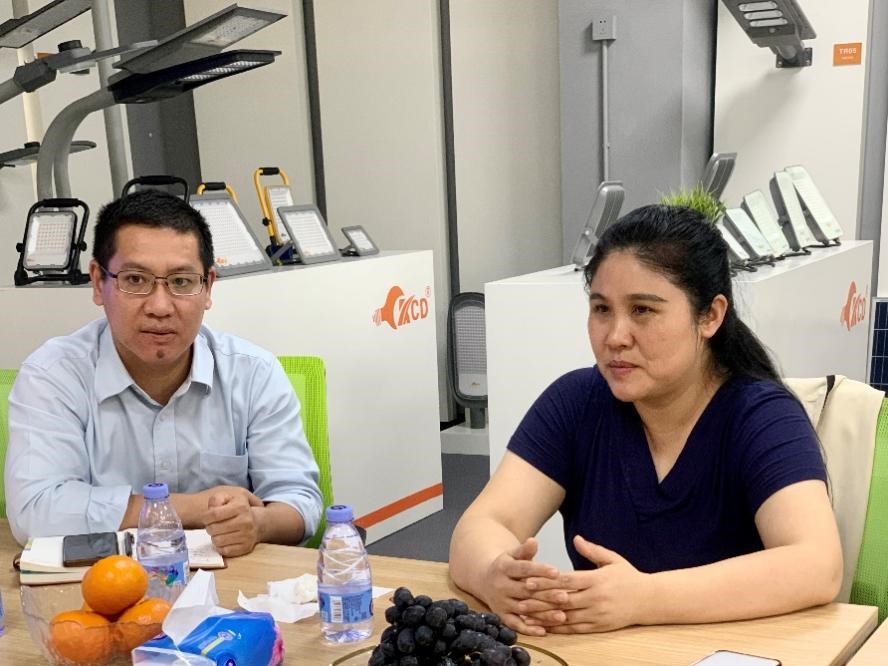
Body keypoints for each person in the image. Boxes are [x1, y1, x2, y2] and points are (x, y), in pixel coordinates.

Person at [449, 204, 842, 635]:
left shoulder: (762, 416)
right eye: (602, 309)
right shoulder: (576, 403)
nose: (616, 337)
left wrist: (643, 598)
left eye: (643, 310)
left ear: (710, 316)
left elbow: (816, 564)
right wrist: (495, 575)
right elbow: (483, 524)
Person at [5, 190, 323, 556]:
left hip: (232, 582)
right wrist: (193, 508)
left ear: (208, 287)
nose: (160, 306)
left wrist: (258, 523)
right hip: (98, 581)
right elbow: (35, 510)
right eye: (135, 280)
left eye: (181, 282)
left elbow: (300, 501)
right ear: (97, 282)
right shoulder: (53, 376)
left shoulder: (254, 373)